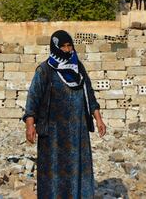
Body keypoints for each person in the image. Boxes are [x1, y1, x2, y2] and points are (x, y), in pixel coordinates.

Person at [22, 30, 106, 198]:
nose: (67, 50)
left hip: (77, 131)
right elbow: (33, 98)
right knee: (54, 169)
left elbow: (89, 94)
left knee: (77, 167)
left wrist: (98, 119)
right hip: (53, 133)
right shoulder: (45, 70)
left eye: (69, 46)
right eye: (63, 46)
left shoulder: (78, 68)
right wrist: (30, 125)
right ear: (55, 47)